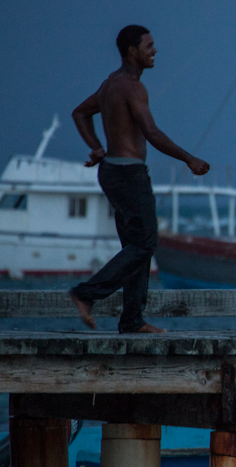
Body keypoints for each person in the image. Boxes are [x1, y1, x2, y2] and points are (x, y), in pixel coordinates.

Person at [68, 25, 210, 333]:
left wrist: (97, 147)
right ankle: (85, 294)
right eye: (149, 45)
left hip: (112, 171)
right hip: (128, 174)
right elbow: (152, 133)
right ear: (132, 51)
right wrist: (189, 159)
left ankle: (132, 320)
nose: (155, 50)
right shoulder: (131, 87)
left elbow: (80, 113)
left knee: (136, 247)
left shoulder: (110, 84)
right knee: (145, 243)